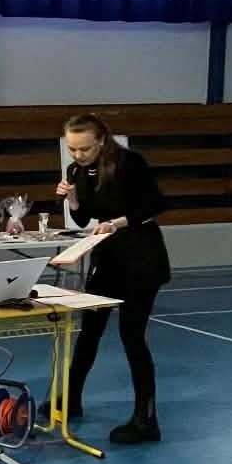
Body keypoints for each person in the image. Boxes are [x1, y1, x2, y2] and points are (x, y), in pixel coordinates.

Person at [57, 112, 169, 445]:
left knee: (132, 336)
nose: (78, 155)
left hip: (141, 258)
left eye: (85, 148)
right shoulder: (76, 170)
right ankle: (70, 400)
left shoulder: (130, 163)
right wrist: (72, 198)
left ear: (102, 140)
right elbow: (83, 217)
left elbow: (156, 205)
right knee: (89, 332)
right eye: (72, 149)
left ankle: (146, 420)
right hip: (107, 259)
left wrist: (117, 223)